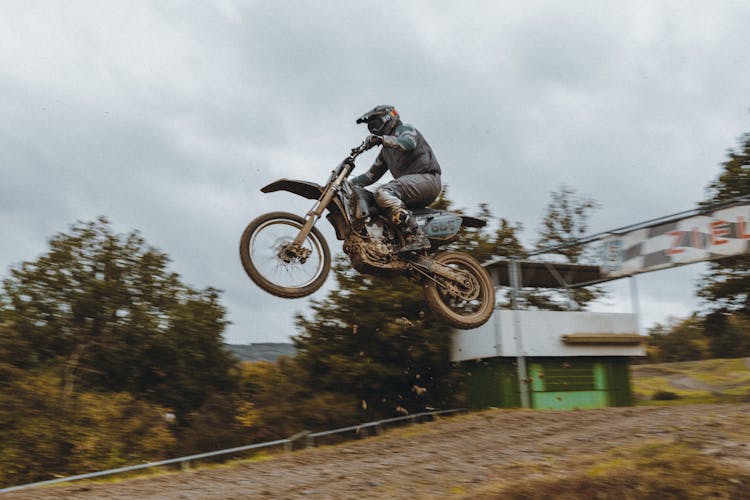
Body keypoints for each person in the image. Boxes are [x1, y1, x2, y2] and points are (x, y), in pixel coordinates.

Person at [352, 105, 442, 252]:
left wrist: (382, 139)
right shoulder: (385, 152)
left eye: (375, 125)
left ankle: (416, 235)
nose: (374, 130)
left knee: (383, 192)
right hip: (411, 188)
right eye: (371, 128)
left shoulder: (404, 130)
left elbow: (409, 143)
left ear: (388, 118)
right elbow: (370, 176)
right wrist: (345, 183)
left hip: (428, 179)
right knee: (376, 204)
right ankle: (393, 241)